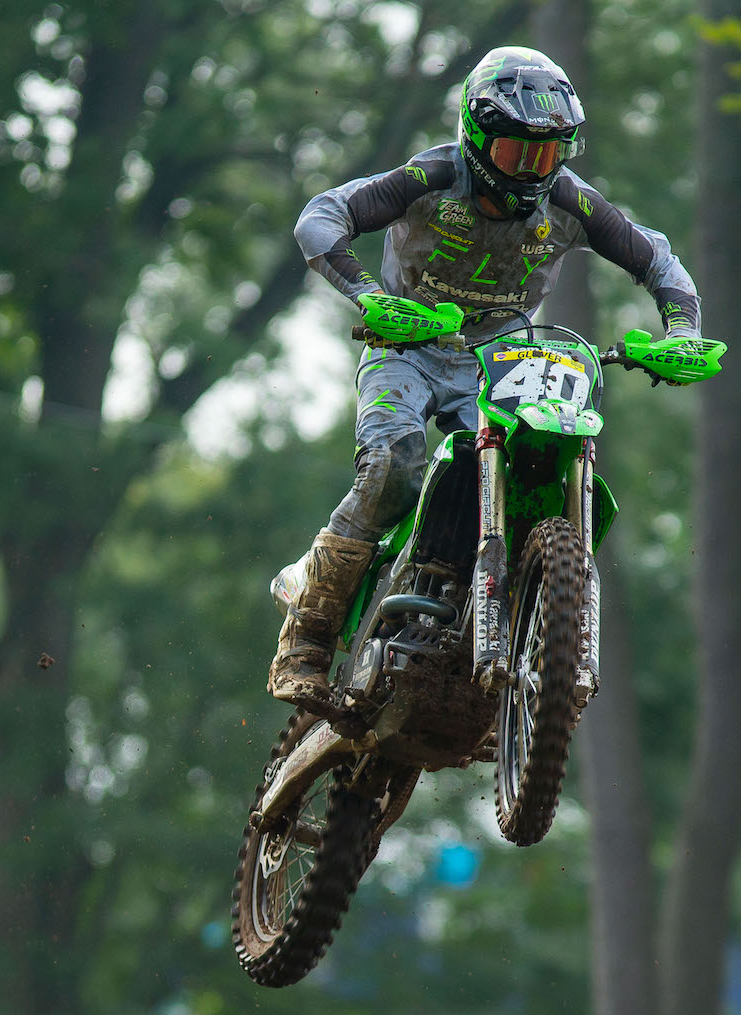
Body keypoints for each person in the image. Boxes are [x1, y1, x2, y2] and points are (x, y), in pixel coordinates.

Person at [269, 45, 705, 713]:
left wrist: (680, 333)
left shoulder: (571, 201)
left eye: (548, 153)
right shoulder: (431, 176)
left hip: (500, 359)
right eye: (516, 152)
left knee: (533, 464)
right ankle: (307, 638)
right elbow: (322, 216)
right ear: (477, 138)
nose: (533, 170)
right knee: (392, 466)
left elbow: (660, 261)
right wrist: (369, 296)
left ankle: (504, 622)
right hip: (407, 344)